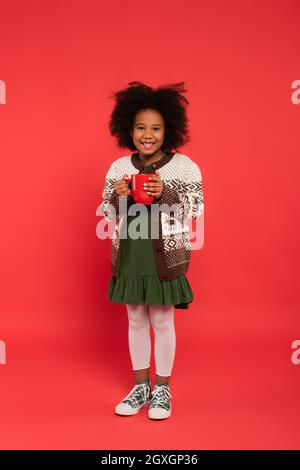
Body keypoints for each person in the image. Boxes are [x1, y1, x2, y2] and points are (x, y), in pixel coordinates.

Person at [100, 81, 204, 419]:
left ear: (168, 130)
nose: (148, 134)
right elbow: (108, 214)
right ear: (128, 130)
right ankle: (141, 386)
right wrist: (118, 195)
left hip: (165, 256)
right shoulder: (118, 168)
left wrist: (167, 194)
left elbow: (195, 210)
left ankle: (162, 389)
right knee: (134, 319)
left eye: (156, 128)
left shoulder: (184, 167)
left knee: (161, 318)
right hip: (130, 255)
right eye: (141, 128)